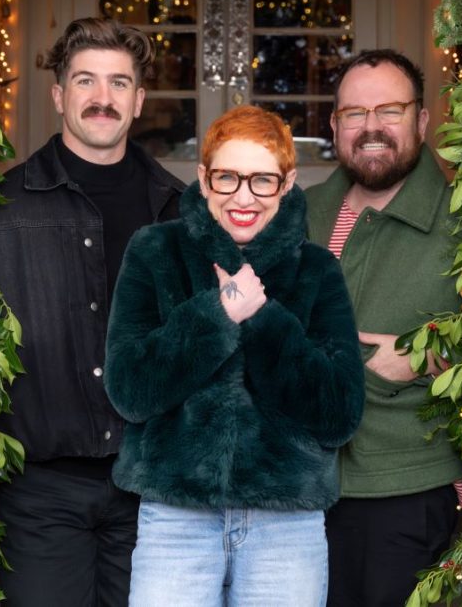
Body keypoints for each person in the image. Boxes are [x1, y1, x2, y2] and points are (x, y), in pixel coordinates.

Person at [104, 106, 365, 607]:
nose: (243, 197)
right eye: (227, 177)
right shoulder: (155, 250)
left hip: (286, 522)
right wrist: (217, 314)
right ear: (204, 178)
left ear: (286, 184)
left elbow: (338, 414)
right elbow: (129, 390)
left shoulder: (316, 268)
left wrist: (263, 319)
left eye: (262, 180)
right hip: (176, 516)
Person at [0, 17, 185, 606]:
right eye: (85, 81)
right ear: (59, 94)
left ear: (139, 100)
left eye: (119, 83)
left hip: (151, 488)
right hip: (39, 491)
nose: (102, 98)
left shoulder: (178, 210)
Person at [305, 50, 462, 607]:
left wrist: (429, 354)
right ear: (334, 125)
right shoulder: (298, 215)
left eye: (390, 110)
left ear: (422, 120)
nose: (371, 126)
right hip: (299, 489)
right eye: (354, 113)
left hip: (405, 489)